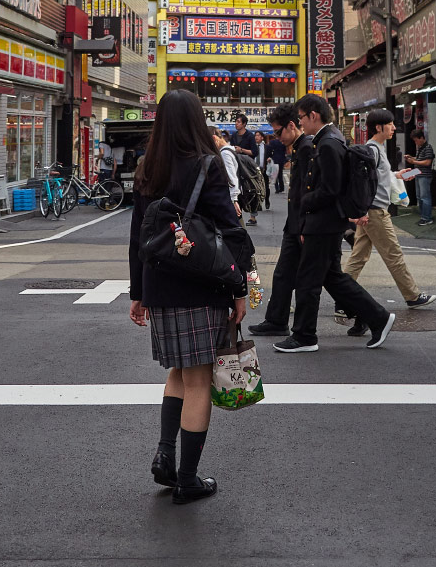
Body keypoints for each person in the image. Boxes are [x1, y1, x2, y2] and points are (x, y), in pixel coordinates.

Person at [128, 89, 246, 505]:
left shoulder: (147, 166)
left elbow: (137, 237)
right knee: (198, 381)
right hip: (200, 284)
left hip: (159, 286)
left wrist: (138, 293)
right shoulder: (206, 165)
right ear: (196, 120)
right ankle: (188, 479)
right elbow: (228, 228)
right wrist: (241, 285)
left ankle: (166, 456)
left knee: (178, 372)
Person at [273, 95, 393, 353]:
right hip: (326, 222)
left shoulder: (327, 143)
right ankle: (378, 317)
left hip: (323, 223)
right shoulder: (330, 138)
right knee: (332, 278)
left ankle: (305, 336)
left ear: (313, 115)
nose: (301, 123)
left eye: (302, 118)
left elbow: (329, 189)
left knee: (308, 281)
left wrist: (305, 202)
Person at [344, 109, 436, 327]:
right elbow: (363, 183)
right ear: (379, 127)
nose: (394, 128)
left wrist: (400, 174)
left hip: (372, 210)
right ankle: (412, 296)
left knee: (358, 257)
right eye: (391, 124)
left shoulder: (378, 149)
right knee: (393, 254)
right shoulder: (372, 150)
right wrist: (363, 211)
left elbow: (380, 176)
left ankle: (342, 296)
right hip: (375, 212)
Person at [249, 104, 316, 338]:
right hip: (295, 223)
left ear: (291, 125)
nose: (276, 138)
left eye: (278, 133)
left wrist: (304, 224)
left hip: (304, 224)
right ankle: (276, 320)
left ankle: (373, 316)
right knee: (283, 273)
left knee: (329, 277)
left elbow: (309, 191)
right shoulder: (298, 147)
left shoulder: (306, 147)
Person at [209, 125, 243, 221]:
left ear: (214, 138)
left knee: (235, 228)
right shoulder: (230, 149)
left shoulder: (224, 154)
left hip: (230, 199)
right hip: (232, 198)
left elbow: (231, 177)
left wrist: (234, 200)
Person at [405, 129, 436, 226]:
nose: (416, 142)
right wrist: (411, 157)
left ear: (422, 138)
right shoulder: (421, 147)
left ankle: (427, 218)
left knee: (424, 197)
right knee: (420, 197)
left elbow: (427, 162)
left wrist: (413, 162)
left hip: (424, 175)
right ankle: (423, 216)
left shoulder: (428, 148)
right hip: (418, 173)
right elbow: (420, 159)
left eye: (416, 140)